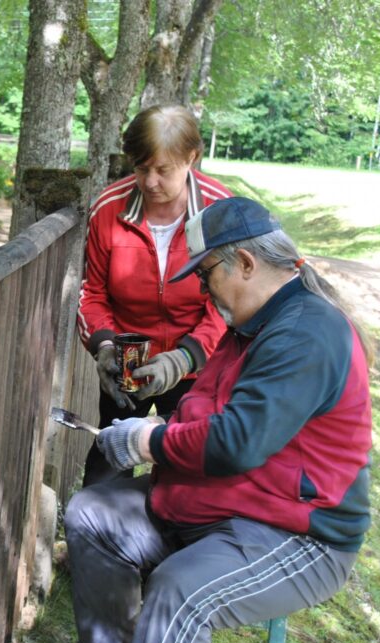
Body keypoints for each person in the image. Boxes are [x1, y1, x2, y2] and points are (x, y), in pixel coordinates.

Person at [64, 197, 372, 643]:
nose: (204, 291)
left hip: (299, 533)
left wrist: (148, 440)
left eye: (206, 276)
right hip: (229, 503)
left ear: (246, 264)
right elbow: (209, 414)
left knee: (179, 592)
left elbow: (237, 442)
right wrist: (166, 409)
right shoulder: (254, 324)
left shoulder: (306, 333)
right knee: (92, 514)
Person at [78, 105, 231, 486]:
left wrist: (185, 358)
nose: (149, 182)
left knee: (186, 475)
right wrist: (105, 347)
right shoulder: (107, 210)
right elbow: (91, 292)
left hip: (198, 367)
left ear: (191, 158)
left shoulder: (220, 211)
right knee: (105, 468)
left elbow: (229, 302)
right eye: (141, 168)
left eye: (163, 170)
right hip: (125, 365)